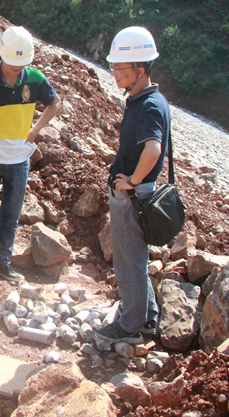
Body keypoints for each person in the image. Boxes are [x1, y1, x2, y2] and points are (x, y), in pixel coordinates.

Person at [0, 26, 60, 281]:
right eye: (12, 62)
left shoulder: (35, 79)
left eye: (21, 63)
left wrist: (37, 129)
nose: (16, 68)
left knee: (11, 216)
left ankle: (2, 262)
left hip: (19, 160)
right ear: (1, 54)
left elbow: (54, 103)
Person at [94, 26, 169, 345]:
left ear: (140, 69)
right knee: (136, 258)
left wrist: (132, 182)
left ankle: (130, 324)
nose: (114, 74)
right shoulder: (151, 99)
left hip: (133, 196)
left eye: (119, 69)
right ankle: (147, 318)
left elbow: (152, 149)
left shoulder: (147, 106)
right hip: (139, 194)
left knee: (128, 262)